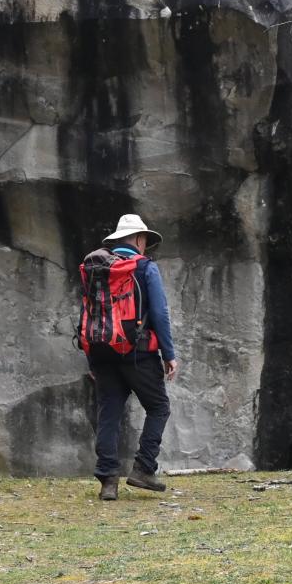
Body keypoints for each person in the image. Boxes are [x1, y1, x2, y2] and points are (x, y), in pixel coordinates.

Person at [85, 213, 178, 501]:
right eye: (145, 240)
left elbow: (89, 315)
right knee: (159, 407)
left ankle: (107, 481)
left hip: (102, 351)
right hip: (138, 352)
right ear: (138, 239)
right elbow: (160, 313)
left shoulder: (98, 268)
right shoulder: (145, 267)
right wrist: (169, 354)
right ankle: (143, 468)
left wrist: (92, 359)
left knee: (109, 412)